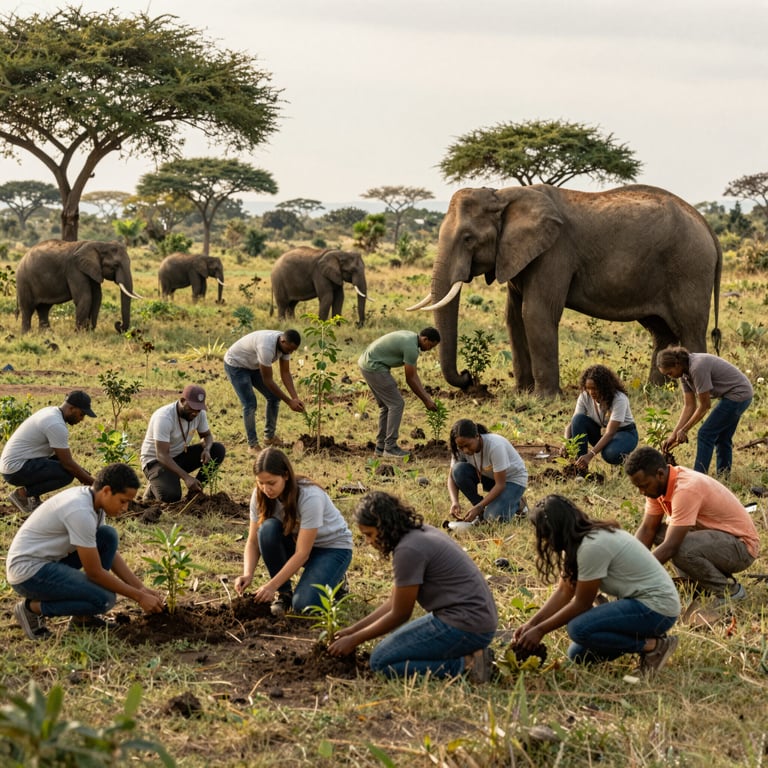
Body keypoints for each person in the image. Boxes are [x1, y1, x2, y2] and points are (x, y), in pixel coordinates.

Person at [328, 491, 498, 682]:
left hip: (467, 626)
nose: (368, 542)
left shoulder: (408, 550)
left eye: (369, 534)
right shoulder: (417, 533)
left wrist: (354, 640)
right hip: (474, 620)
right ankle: (469, 655)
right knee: (389, 653)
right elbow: (393, 602)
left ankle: (467, 665)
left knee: (380, 662)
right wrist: (353, 630)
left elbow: (400, 614)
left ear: (384, 526)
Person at [513, 495, 681, 675]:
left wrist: (540, 630)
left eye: (544, 534)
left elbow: (582, 604)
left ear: (555, 531)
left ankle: (653, 646)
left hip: (657, 609)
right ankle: (645, 634)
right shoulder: (577, 543)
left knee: (578, 629)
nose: (544, 540)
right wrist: (532, 624)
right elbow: (564, 592)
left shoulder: (591, 546)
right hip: (641, 605)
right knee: (579, 655)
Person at [6, 463, 165, 640]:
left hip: (50, 561)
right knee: (104, 599)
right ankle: (31, 609)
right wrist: (139, 597)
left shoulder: (94, 502)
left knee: (107, 536)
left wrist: (141, 588)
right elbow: (94, 573)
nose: (125, 508)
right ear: (106, 491)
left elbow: (107, 554)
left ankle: (83, 619)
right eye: (123, 501)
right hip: (29, 573)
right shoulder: (80, 511)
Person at [625, 446, 758, 606]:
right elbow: (648, 529)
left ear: (659, 474)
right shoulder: (658, 487)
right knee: (659, 533)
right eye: (638, 487)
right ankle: (698, 586)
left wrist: (636, 576)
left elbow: (671, 547)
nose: (641, 492)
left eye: (644, 486)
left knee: (680, 547)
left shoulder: (686, 489)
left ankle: (730, 592)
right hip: (715, 538)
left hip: (741, 548)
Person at [234, 447, 353, 616]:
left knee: (304, 606)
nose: (266, 489)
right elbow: (253, 542)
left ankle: (337, 578)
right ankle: (285, 594)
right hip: (299, 543)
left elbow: (302, 554)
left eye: (271, 483)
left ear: (286, 475)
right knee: (267, 530)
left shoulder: (310, 496)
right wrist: (247, 574)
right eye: (261, 482)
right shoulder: (260, 495)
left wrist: (271, 586)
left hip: (332, 549)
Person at [656, 346, 752, 475]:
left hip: (738, 395)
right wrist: (674, 435)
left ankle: (698, 476)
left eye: (669, 373)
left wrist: (684, 430)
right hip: (735, 394)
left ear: (677, 364)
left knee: (705, 434)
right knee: (723, 438)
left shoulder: (697, 367)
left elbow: (705, 406)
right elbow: (689, 406)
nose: (670, 377)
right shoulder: (684, 374)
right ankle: (724, 476)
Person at [1, 390, 97, 514]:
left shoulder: (51, 412)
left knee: (65, 468)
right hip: (16, 469)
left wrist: (82, 472)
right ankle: (22, 495)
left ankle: (32, 498)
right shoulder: (55, 424)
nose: (82, 419)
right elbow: (67, 463)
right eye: (82, 414)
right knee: (66, 475)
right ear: (72, 408)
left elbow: (58, 457)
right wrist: (95, 484)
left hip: (16, 464)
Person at [358, 327, 440, 458]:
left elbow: (414, 375)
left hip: (366, 363)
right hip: (374, 366)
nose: (430, 349)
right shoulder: (411, 348)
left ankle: (380, 447)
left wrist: (427, 397)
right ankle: (390, 448)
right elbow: (410, 379)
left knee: (386, 406)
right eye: (430, 345)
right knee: (397, 404)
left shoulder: (411, 338)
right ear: (425, 339)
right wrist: (426, 401)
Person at [140, 384, 226, 503]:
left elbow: (207, 436)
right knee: (171, 496)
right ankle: (154, 485)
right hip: (156, 462)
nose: (195, 413)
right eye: (192, 408)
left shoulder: (199, 414)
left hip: (178, 456)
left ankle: (194, 493)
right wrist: (186, 477)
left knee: (217, 450)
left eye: (198, 409)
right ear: (182, 401)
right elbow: (162, 455)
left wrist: (207, 449)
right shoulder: (164, 417)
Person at [223, 329, 305, 453]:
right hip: (236, 365)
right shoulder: (266, 347)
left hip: (253, 365)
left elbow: (285, 372)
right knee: (250, 403)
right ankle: (252, 445)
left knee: (274, 397)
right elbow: (268, 380)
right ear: (283, 341)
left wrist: (295, 398)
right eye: (290, 349)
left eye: (293, 350)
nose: (291, 352)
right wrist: (289, 402)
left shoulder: (286, 345)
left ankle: (269, 438)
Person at [448, 419, 528, 522]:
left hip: (512, 481)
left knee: (492, 518)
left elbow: (500, 485)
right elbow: (451, 477)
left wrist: (479, 507)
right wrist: (454, 502)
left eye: (468, 445)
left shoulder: (495, 446)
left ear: (477, 436)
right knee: (458, 471)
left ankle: (518, 502)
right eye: (461, 447)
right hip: (491, 477)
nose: (465, 450)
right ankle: (481, 511)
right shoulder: (459, 448)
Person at [564, 364, 638, 471]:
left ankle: (626, 460)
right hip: (604, 433)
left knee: (609, 454)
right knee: (578, 420)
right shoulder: (585, 396)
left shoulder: (619, 399)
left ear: (604, 386)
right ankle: (581, 468)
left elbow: (610, 432)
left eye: (594, 388)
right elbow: (572, 424)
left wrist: (591, 454)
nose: (591, 392)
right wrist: (566, 443)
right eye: (588, 388)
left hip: (625, 433)